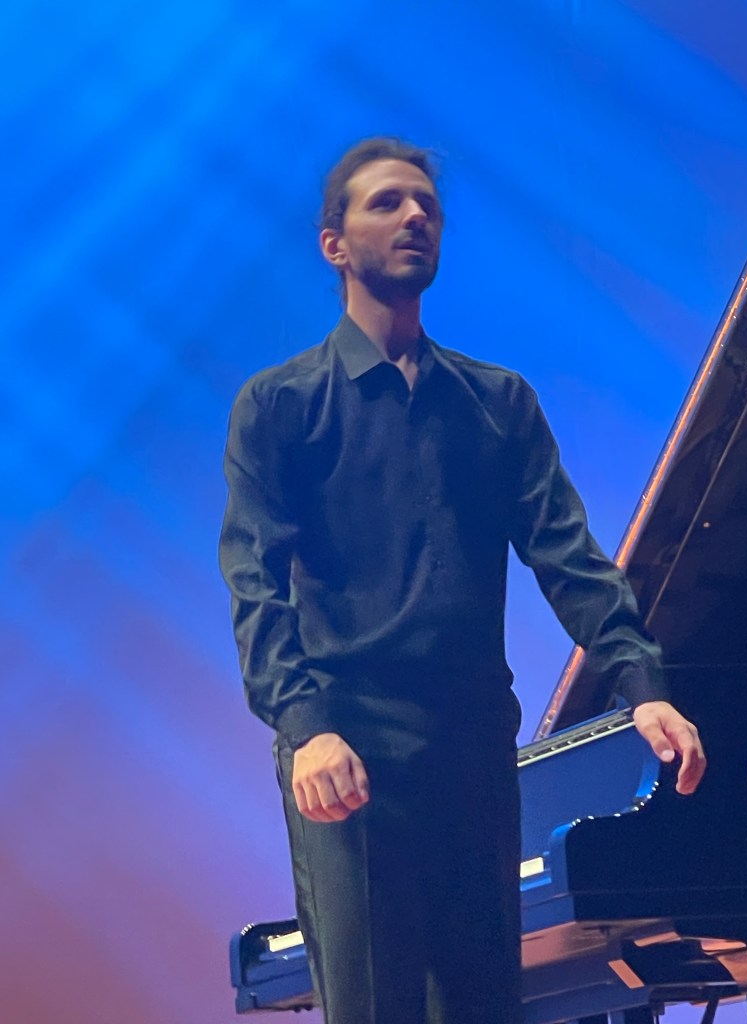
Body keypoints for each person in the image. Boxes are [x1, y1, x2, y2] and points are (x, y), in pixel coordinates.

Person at [218, 137, 706, 1024]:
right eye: (388, 203)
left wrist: (642, 685)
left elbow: (567, 556)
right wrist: (307, 728)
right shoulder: (281, 406)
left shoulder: (497, 403)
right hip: (351, 754)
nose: (416, 216)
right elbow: (256, 586)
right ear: (334, 244)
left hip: (472, 753)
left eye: (428, 207)